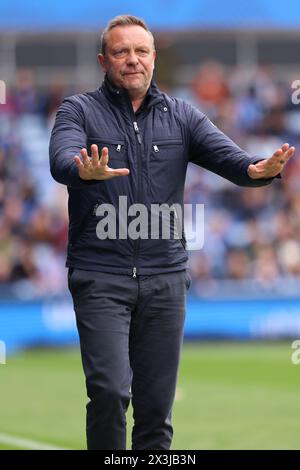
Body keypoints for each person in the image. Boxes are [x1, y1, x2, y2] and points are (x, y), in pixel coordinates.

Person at [49, 15, 295, 450]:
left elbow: (234, 160)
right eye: (122, 52)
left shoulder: (182, 115)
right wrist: (80, 170)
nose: (132, 60)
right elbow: (61, 159)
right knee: (109, 393)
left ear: (154, 58)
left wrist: (258, 170)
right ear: (104, 60)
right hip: (100, 276)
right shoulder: (78, 110)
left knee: (156, 413)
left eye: (141, 51)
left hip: (165, 279)